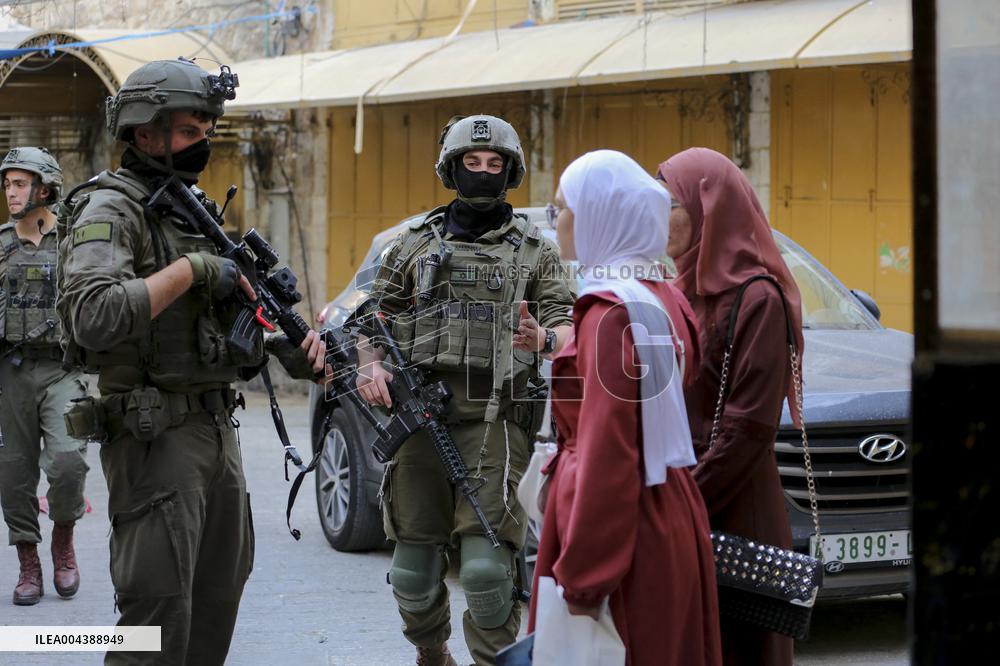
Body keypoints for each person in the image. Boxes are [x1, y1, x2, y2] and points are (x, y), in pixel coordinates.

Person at [58, 58, 325, 664]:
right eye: (187, 130)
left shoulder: (193, 210)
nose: (201, 141)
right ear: (144, 131)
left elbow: (234, 324)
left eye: (207, 127)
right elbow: (93, 314)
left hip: (215, 430)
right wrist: (192, 271)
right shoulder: (112, 210)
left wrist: (296, 348)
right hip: (153, 434)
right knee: (154, 616)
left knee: (216, 599)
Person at [355, 114, 575, 666]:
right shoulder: (411, 245)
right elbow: (373, 320)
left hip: (495, 420)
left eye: (493, 164)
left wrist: (543, 337)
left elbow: (572, 324)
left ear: (510, 172)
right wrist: (370, 368)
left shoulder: (534, 250)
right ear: (452, 169)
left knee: (484, 571)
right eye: (471, 163)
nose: (482, 173)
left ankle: (495, 660)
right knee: (411, 570)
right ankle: (432, 650)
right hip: (418, 419)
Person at [527, 149, 722, 666]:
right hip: (670, 508)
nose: (557, 223)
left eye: (561, 209)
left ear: (598, 215)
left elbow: (608, 454)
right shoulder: (663, 296)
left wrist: (585, 578)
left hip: (623, 528)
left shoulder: (608, 314)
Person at [656, 147, 805, 666]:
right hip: (687, 496)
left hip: (735, 505)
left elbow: (749, 429)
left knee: (739, 647)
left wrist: (681, 503)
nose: (659, 217)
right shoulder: (679, 291)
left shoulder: (757, 298)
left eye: (670, 203)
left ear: (707, 208)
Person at [0, 147, 89, 606]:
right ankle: (28, 563)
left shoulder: (75, 243)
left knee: (70, 461)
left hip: (62, 369)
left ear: (45, 189)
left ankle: (64, 541)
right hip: (10, 374)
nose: (11, 192)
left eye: (20, 183)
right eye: (8, 184)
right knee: (14, 475)